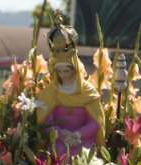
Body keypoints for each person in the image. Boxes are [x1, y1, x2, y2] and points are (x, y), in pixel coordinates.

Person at [36, 13, 105, 157]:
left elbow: (95, 122)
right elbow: (47, 121)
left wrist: (77, 135)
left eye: (66, 71)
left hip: (84, 140)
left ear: (74, 70)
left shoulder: (87, 91)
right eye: (59, 71)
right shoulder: (50, 92)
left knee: (85, 154)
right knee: (59, 152)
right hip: (59, 141)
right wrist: (63, 137)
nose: (63, 75)